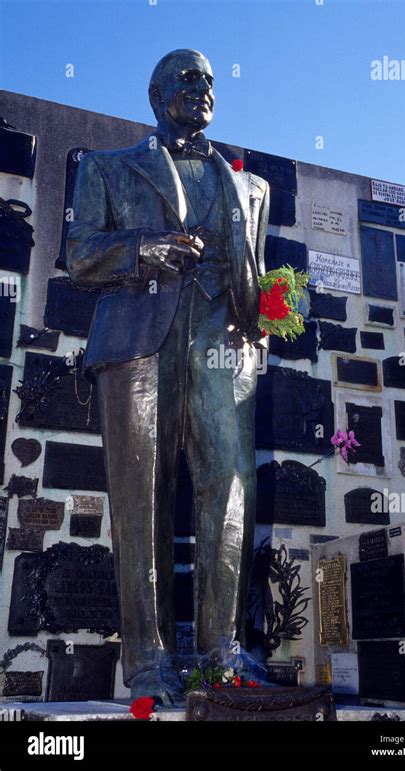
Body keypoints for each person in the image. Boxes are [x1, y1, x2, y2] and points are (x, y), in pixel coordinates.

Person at [67, 49, 269, 703]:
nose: (204, 87)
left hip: (219, 350)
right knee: (140, 500)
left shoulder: (247, 187)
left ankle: (223, 652)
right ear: (157, 94)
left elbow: (254, 286)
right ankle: (148, 658)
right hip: (138, 347)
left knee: (231, 488)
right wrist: (144, 249)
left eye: (210, 79)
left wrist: (277, 305)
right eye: (189, 78)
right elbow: (80, 255)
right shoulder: (106, 168)